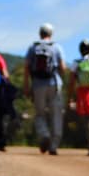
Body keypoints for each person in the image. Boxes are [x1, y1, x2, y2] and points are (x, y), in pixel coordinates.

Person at [24, 23, 68, 154]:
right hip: (54, 83)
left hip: (38, 84)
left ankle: (44, 134)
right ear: (51, 33)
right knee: (56, 114)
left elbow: (26, 67)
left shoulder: (33, 47)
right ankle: (54, 145)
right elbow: (63, 67)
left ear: (40, 33)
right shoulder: (57, 47)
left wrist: (26, 85)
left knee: (40, 114)